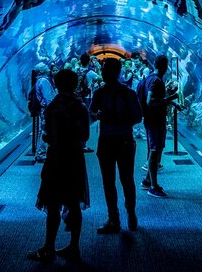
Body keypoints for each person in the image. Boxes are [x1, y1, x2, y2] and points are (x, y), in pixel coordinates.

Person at [27, 69, 90, 263]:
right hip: (75, 158)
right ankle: (74, 247)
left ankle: (48, 247)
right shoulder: (80, 107)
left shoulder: (52, 107)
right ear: (74, 84)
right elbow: (85, 136)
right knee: (74, 202)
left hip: (56, 158)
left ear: (57, 84)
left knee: (53, 203)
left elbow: (47, 136)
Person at [90, 57, 143, 233]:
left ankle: (124, 214)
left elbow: (137, 117)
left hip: (117, 141)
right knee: (116, 180)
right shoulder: (105, 93)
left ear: (115, 72)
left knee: (119, 180)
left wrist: (111, 117)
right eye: (103, 69)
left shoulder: (123, 93)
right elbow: (91, 114)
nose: (103, 72)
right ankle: (119, 216)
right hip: (115, 141)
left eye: (106, 69)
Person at [139, 54, 181, 198]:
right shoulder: (156, 81)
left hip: (153, 120)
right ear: (163, 66)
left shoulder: (150, 78)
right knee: (155, 151)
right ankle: (153, 187)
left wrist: (172, 103)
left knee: (154, 150)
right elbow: (150, 101)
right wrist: (170, 98)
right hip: (154, 121)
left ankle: (148, 180)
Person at [33, 63, 55, 163]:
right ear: (41, 71)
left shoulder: (39, 80)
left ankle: (40, 152)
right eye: (45, 66)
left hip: (45, 109)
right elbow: (48, 98)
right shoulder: (44, 81)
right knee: (45, 130)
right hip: (47, 109)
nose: (47, 67)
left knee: (44, 129)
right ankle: (41, 153)